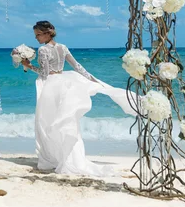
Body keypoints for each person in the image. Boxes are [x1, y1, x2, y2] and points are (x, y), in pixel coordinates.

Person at [13, 21, 137, 176]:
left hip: (51, 86)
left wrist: (28, 65)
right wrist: (92, 79)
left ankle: (53, 158)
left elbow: (44, 74)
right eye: (35, 35)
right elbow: (77, 66)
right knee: (64, 121)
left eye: (38, 34)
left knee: (47, 122)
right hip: (64, 83)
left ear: (47, 33)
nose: (37, 38)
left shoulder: (43, 50)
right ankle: (66, 157)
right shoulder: (63, 47)